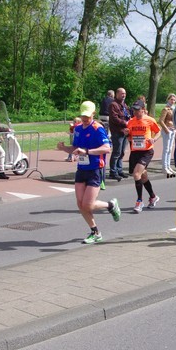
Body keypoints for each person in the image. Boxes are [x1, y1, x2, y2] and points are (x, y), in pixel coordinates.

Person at [56, 101, 121, 243]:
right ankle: (95, 232)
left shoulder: (98, 128)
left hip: (95, 169)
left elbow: (107, 148)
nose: (85, 119)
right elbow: (75, 148)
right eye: (83, 116)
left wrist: (87, 151)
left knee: (88, 205)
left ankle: (111, 205)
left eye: (88, 116)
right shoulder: (78, 129)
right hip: (81, 169)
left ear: (93, 114)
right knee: (80, 204)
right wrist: (64, 148)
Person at [127, 101, 161, 213]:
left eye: (137, 109)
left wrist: (154, 139)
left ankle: (139, 201)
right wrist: (127, 135)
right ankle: (153, 197)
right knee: (143, 176)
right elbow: (129, 136)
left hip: (146, 151)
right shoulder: (130, 121)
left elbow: (158, 132)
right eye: (134, 110)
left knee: (136, 174)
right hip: (135, 151)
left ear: (143, 109)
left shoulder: (149, 120)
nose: (135, 112)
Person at [108, 87, 130, 179]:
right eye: (122, 93)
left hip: (125, 132)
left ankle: (119, 170)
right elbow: (114, 118)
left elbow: (128, 115)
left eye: (124, 93)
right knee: (116, 153)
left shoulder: (124, 105)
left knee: (122, 152)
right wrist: (125, 123)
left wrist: (129, 123)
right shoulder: (113, 105)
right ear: (117, 94)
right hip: (117, 132)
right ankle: (113, 172)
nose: (123, 95)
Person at [157, 93, 176, 177]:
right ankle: (164, 167)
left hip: (173, 130)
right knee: (166, 149)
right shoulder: (166, 109)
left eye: (174, 100)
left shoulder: (174, 109)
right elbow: (161, 120)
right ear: (168, 99)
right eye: (171, 99)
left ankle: (168, 166)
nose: (172, 101)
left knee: (170, 149)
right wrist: (166, 129)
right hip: (167, 130)